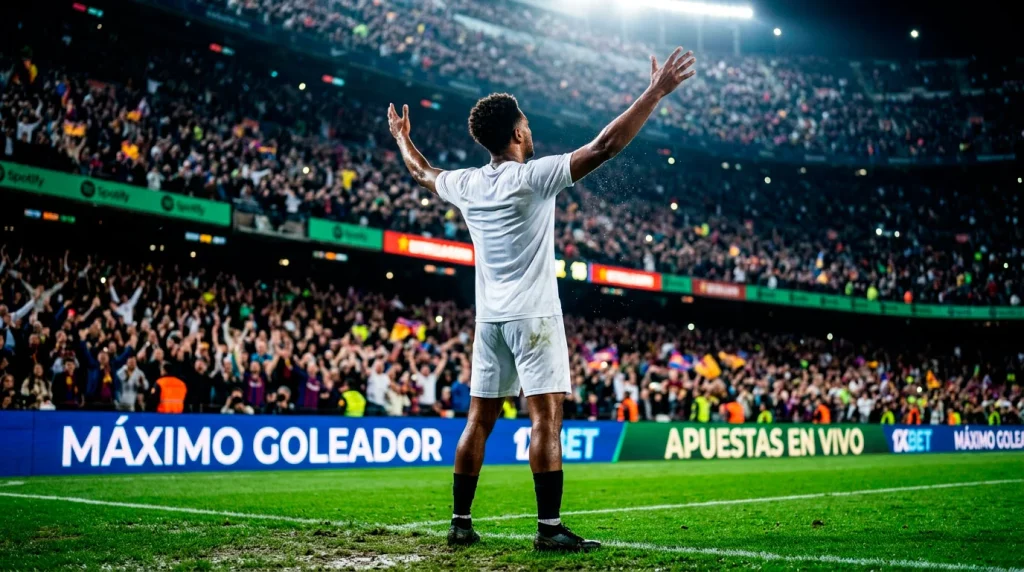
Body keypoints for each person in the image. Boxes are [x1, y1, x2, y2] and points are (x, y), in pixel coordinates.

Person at [388, 46, 696, 551]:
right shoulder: (532, 178)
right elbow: (603, 147)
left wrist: (404, 140)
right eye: (526, 124)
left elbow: (423, 173)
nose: (531, 131)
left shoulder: (466, 184)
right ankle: (549, 531)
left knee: (477, 422)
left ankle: (460, 524)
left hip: (489, 321)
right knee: (544, 419)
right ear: (516, 133)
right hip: (534, 319)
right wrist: (655, 92)